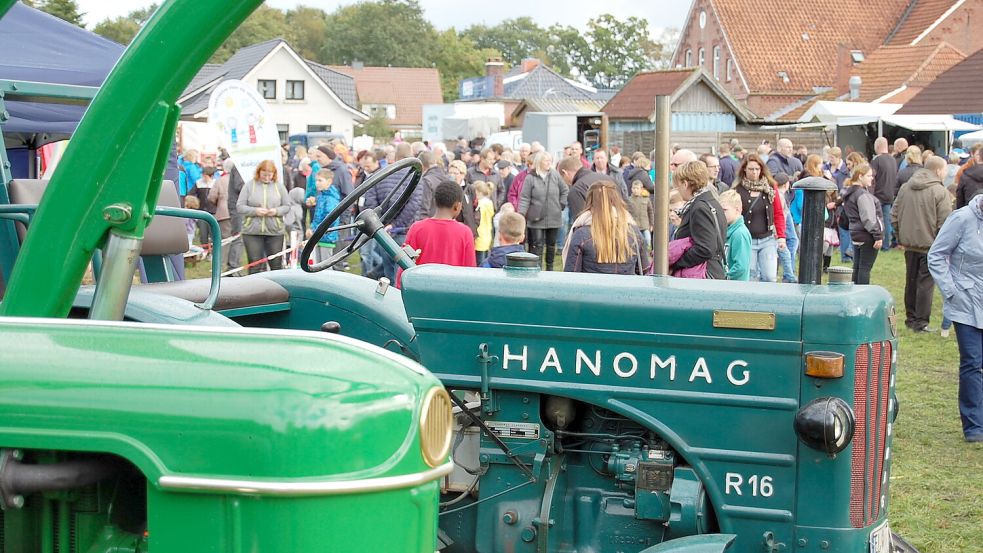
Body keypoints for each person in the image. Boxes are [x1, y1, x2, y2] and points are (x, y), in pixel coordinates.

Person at [928, 193, 983, 443]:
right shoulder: (961, 219)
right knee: (972, 361)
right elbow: (936, 255)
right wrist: (952, 291)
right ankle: (973, 425)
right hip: (967, 302)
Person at [892, 155, 952, 332]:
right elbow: (946, 223)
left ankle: (911, 318)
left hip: (910, 243)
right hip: (931, 245)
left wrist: (900, 236)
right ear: (939, 170)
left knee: (911, 281)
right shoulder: (940, 192)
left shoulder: (905, 187)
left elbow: (894, 215)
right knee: (925, 284)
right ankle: (920, 322)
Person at [398, 180, 476, 287]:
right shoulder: (465, 233)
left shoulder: (417, 228)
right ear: (457, 206)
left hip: (421, 291)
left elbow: (404, 264)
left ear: (434, 201)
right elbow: (470, 272)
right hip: (452, 294)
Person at [563, 181, 647, 274]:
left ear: (590, 202)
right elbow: (643, 270)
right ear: (617, 200)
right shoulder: (634, 232)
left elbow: (571, 273)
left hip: (591, 287)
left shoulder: (581, 235)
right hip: (627, 287)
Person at [733, 154, 787, 282]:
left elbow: (778, 213)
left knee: (770, 276)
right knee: (750, 276)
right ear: (744, 169)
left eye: (757, 169)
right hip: (747, 240)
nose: (755, 172)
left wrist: (781, 237)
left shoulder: (769, 188)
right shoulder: (738, 189)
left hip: (767, 238)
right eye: (751, 169)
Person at [669, 161, 726, 279]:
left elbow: (705, 248)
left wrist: (677, 263)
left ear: (685, 184)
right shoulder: (710, 202)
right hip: (711, 271)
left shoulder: (699, 207)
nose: (677, 190)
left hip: (703, 274)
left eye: (677, 186)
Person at [236, 160, 291, 274]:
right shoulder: (249, 186)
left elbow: (287, 206)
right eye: (264, 174)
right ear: (258, 172)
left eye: (269, 175)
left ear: (274, 174)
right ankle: (254, 289)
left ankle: (276, 290)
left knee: (276, 264)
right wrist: (255, 211)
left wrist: (276, 211)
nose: (266, 177)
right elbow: (240, 207)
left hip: (275, 231)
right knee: (254, 263)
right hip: (252, 231)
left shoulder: (279, 187)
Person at [519, 151, 567, 270]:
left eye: (550, 160)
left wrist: (561, 205)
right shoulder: (530, 178)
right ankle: (537, 268)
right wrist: (521, 214)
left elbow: (565, 190)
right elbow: (525, 197)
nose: (549, 163)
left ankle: (549, 268)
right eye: (546, 160)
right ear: (539, 162)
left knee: (551, 245)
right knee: (537, 245)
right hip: (535, 218)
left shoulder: (555, 175)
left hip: (554, 217)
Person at [841, 163, 884, 284]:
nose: (872, 178)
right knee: (864, 268)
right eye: (869, 175)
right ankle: (862, 296)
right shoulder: (861, 194)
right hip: (866, 235)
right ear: (860, 176)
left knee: (857, 267)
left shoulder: (849, 192)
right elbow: (868, 218)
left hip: (855, 233)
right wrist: (877, 235)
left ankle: (855, 293)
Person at [306, 168, 341, 265]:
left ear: (329, 181)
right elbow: (318, 216)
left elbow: (329, 219)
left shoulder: (331, 199)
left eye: (320, 180)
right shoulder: (321, 196)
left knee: (325, 266)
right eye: (316, 180)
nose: (317, 183)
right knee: (318, 264)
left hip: (327, 236)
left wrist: (314, 230)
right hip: (318, 235)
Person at [871, 137, 899, 251]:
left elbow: (872, 178)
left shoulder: (876, 160)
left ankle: (879, 243)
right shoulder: (893, 160)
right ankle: (886, 245)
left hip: (877, 195)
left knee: (877, 221)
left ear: (877, 146)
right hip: (889, 194)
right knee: (886, 221)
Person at [719, 190, 751, 281]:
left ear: (737, 210)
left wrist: (724, 278)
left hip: (736, 287)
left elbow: (741, 266)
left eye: (724, 210)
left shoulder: (740, 233)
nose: (721, 213)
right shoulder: (727, 230)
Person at [207, 164, 232, 270]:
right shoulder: (242, 180)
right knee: (236, 241)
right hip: (237, 213)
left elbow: (211, 196)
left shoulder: (220, 180)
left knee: (224, 240)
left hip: (223, 212)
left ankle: (220, 265)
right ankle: (233, 264)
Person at [472, 180, 495, 265]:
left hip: (479, 236)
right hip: (486, 236)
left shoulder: (480, 205)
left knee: (479, 262)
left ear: (478, 192)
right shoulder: (489, 203)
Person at [627, 180, 654, 247]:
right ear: (631, 189)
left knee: (647, 239)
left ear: (641, 189)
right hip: (634, 225)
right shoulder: (629, 200)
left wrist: (652, 224)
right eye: (634, 188)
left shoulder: (646, 199)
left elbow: (650, 212)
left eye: (637, 188)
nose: (635, 190)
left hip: (645, 225)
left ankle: (647, 253)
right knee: (636, 242)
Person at [955, 144, 983, 209]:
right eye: (977, 155)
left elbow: (959, 198)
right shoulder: (963, 170)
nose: (978, 157)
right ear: (972, 154)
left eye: (980, 155)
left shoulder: (965, 173)